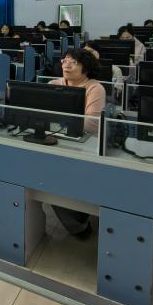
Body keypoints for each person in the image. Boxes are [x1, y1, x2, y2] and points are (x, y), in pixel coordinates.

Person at [48, 48, 106, 239]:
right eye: (65, 61)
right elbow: (41, 113)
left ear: (86, 68)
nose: (67, 65)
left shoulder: (94, 88)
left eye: (73, 62)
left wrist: (56, 120)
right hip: (55, 140)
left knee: (57, 180)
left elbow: (92, 124)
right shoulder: (54, 84)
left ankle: (78, 225)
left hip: (86, 144)